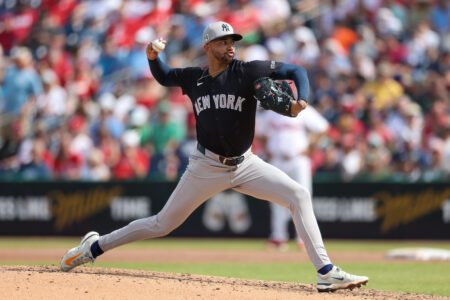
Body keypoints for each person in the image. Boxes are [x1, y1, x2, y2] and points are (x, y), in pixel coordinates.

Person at [60, 21, 368, 292]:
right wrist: (153, 57)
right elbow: (165, 76)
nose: (230, 47)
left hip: (246, 164)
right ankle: (95, 246)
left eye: (232, 41)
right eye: (223, 42)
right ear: (208, 46)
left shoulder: (248, 71)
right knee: (161, 224)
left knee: (298, 195)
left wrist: (302, 97)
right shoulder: (195, 77)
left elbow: (295, 70)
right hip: (206, 165)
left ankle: (326, 273)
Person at [256, 105, 329, 251]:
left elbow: (323, 128)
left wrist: (311, 148)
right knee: (275, 197)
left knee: (303, 197)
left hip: (298, 160)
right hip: (277, 159)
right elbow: (260, 133)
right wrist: (267, 149)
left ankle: (303, 239)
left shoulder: (302, 110)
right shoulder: (272, 111)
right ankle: (278, 237)